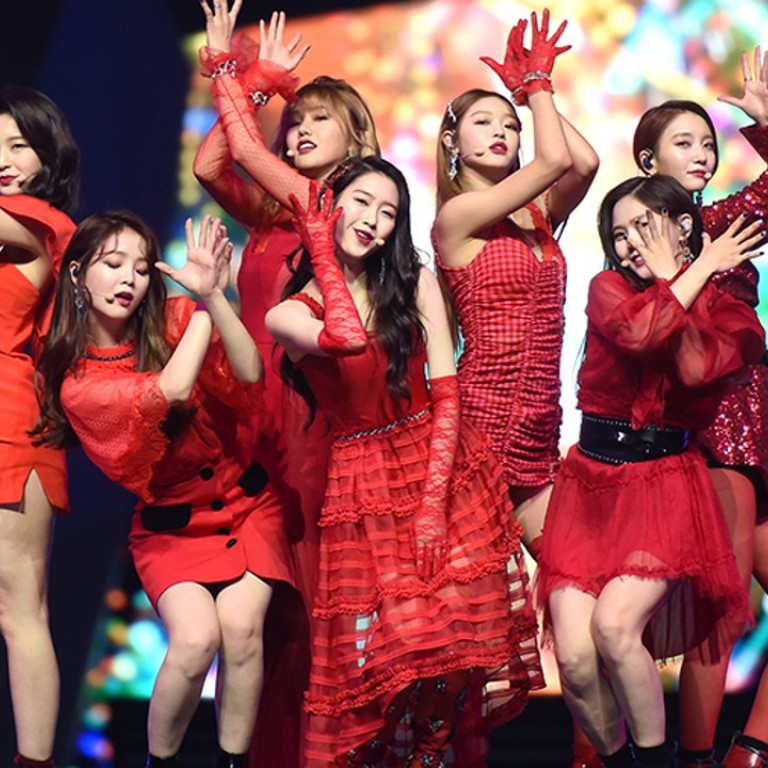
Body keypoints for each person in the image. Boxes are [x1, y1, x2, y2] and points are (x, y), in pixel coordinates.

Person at [265, 155, 543, 766]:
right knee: (399, 655)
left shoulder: (413, 281)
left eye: (389, 213)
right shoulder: (287, 313)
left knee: (459, 641)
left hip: (442, 462)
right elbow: (345, 338)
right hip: (364, 483)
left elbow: (447, 393)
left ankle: (429, 754)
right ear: (328, 205)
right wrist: (321, 255)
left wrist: (432, 503)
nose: (374, 222)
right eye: (361, 202)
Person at [33, 211, 294, 768]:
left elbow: (249, 372)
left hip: (249, 506)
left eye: (142, 267)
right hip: (173, 529)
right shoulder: (80, 383)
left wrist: (215, 301)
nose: (130, 278)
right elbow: (171, 388)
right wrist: (205, 300)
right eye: (113, 264)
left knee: (243, 630)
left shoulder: (175, 317)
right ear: (78, 274)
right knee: (196, 641)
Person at [193, 6, 382, 764]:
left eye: (319, 120)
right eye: (295, 120)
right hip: (250, 418)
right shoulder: (275, 210)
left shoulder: (340, 212)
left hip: (312, 428)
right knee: (256, 615)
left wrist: (236, 73)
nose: (300, 130)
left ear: (355, 138)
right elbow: (214, 165)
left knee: (309, 608)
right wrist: (260, 86)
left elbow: (235, 144)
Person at [537, 174, 765, 768]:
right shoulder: (609, 287)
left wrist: (685, 276)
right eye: (619, 234)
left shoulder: (733, 310)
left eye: (643, 227)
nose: (630, 244)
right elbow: (640, 333)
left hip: (662, 487)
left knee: (615, 630)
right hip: (589, 487)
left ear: (683, 227)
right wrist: (685, 273)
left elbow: (691, 368)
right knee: (577, 656)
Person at [431, 12, 599, 766]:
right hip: (476, 445)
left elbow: (583, 162)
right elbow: (557, 155)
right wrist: (531, 91)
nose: (503, 131)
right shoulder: (457, 218)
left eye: (509, 124)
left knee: (585, 608)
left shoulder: (535, 214)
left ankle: (599, 756)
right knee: (472, 637)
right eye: (484, 123)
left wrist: (541, 95)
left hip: (537, 441)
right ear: (451, 143)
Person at [632, 47, 768, 768]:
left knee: (726, 610)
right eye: (683, 142)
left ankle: (749, 750)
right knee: (719, 612)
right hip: (708, 431)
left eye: (707, 143)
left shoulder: (718, 218)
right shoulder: (643, 233)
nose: (703, 154)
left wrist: (767, 125)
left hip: (756, 422)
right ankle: (697, 757)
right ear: (648, 161)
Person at [0, 85, 79, 768]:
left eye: (17, 145)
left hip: (10, 417)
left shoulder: (40, 222)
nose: (2, 159)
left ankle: (33, 763)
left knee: (19, 605)